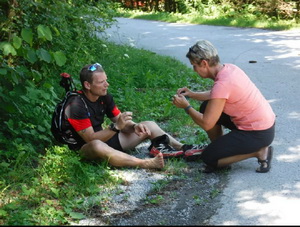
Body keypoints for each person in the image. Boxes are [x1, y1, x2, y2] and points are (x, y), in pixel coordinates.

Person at [63, 63, 202, 170]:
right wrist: (116, 127)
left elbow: (120, 122)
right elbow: (90, 139)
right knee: (97, 145)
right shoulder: (75, 105)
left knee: (149, 124)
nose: (107, 84)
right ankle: (145, 163)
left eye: (106, 80)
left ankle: (182, 147)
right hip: (86, 148)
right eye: (101, 82)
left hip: (105, 139)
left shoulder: (104, 97)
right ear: (87, 85)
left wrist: (135, 126)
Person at [172, 40, 276, 173]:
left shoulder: (222, 84)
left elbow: (207, 124)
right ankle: (222, 151)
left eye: (194, 66)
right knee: (206, 106)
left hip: (258, 133)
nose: (194, 70)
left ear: (204, 63)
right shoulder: (230, 69)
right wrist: (192, 94)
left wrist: (186, 107)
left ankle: (260, 152)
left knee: (209, 158)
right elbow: (217, 95)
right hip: (264, 125)